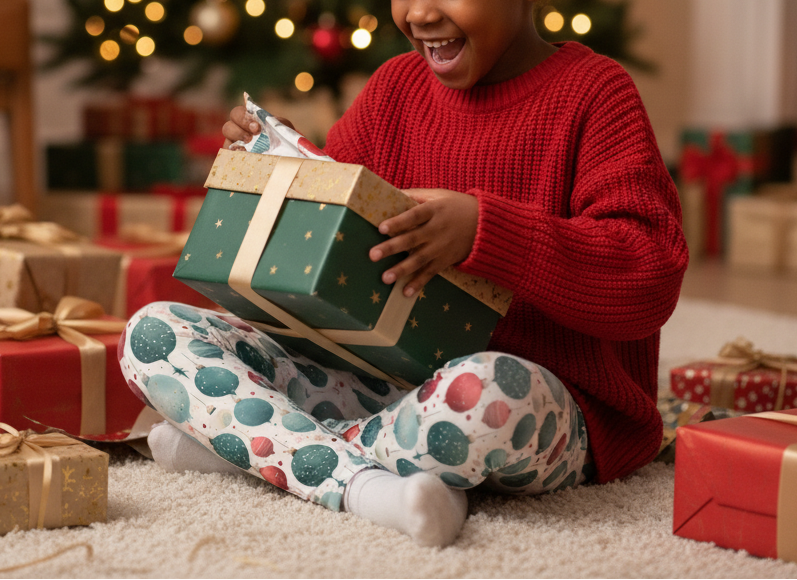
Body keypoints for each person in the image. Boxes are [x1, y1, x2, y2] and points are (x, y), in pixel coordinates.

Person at [121, 0, 688, 548]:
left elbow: (650, 277)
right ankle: (361, 483)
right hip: (379, 385)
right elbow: (343, 215)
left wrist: (485, 233)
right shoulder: (395, 87)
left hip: (544, 401)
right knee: (154, 334)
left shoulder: (596, 93)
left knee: (490, 393)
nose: (419, 13)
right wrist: (288, 163)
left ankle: (259, 448)